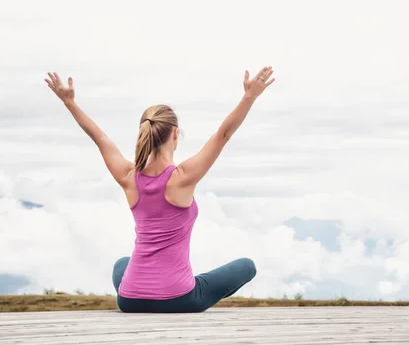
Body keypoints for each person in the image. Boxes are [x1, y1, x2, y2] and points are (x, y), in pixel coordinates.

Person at [44, 66, 276, 312]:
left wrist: (69, 102)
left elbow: (100, 138)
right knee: (247, 266)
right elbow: (223, 135)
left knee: (122, 264)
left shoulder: (128, 176)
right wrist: (249, 97)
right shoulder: (182, 178)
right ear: (175, 134)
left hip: (129, 300)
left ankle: (146, 289)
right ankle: (170, 286)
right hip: (180, 298)